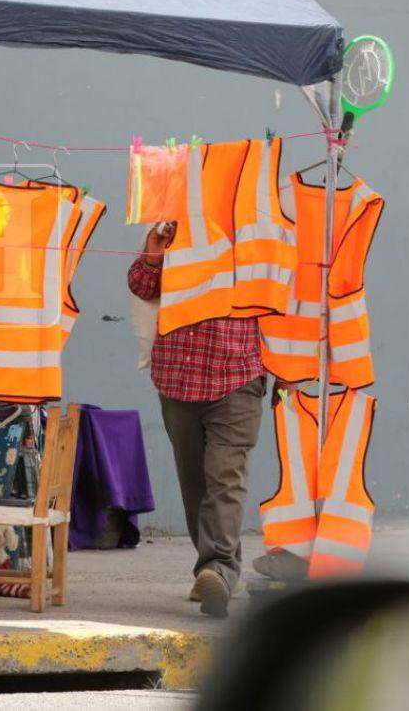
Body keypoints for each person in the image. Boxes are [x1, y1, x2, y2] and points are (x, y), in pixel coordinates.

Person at [127, 222, 266, 618]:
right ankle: (213, 566)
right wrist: (153, 256)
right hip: (178, 376)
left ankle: (219, 569)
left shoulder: (257, 222)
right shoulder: (173, 225)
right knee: (196, 485)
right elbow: (141, 284)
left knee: (226, 478)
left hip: (237, 374)